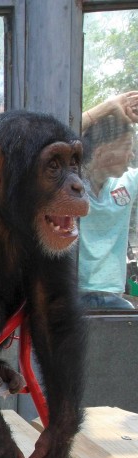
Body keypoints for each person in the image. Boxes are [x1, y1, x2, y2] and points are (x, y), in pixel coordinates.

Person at [78, 93, 138, 310]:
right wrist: (108, 107)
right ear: (102, 152)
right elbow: (56, 137)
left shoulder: (128, 182)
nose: (131, 155)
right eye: (126, 147)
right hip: (71, 294)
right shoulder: (71, 183)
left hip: (113, 295)